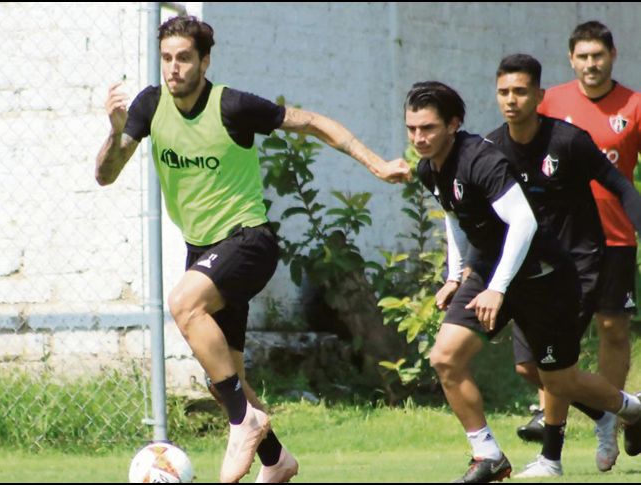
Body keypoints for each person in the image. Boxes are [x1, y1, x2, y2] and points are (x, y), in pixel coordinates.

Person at [95, 16, 410, 483]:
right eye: (167, 58)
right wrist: (115, 129)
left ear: (205, 61)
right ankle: (276, 460)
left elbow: (312, 123)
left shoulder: (232, 106)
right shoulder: (150, 105)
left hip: (248, 241)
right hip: (203, 250)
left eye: (184, 58)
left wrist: (377, 164)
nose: (174, 68)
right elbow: (105, 174)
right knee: (224, 379)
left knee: (183, 303)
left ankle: (245, 421)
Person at [407, 80, 641, 483]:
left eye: (427, 128)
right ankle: (488, 456)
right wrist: (455, 275)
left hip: (542, 276)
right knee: (445, 357)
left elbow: (524, 221)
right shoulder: (429, 168)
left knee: (559, 379)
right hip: (490, 270)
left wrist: (498, 288)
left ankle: (630, 410)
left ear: (453, 124)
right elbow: (454, 214)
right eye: (412, 129)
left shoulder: (480, 158)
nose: (418, 138)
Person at [486, 53, 641, 477]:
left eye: (520, 91)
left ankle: (551, 458)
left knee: (555, 368)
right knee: (529, 367)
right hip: (527, 271)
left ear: (540, 96)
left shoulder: (568, 141)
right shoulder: (492, 150)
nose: (511, 100)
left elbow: (619, 185)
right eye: (503, 92)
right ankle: (616, 410)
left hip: (576, 267)